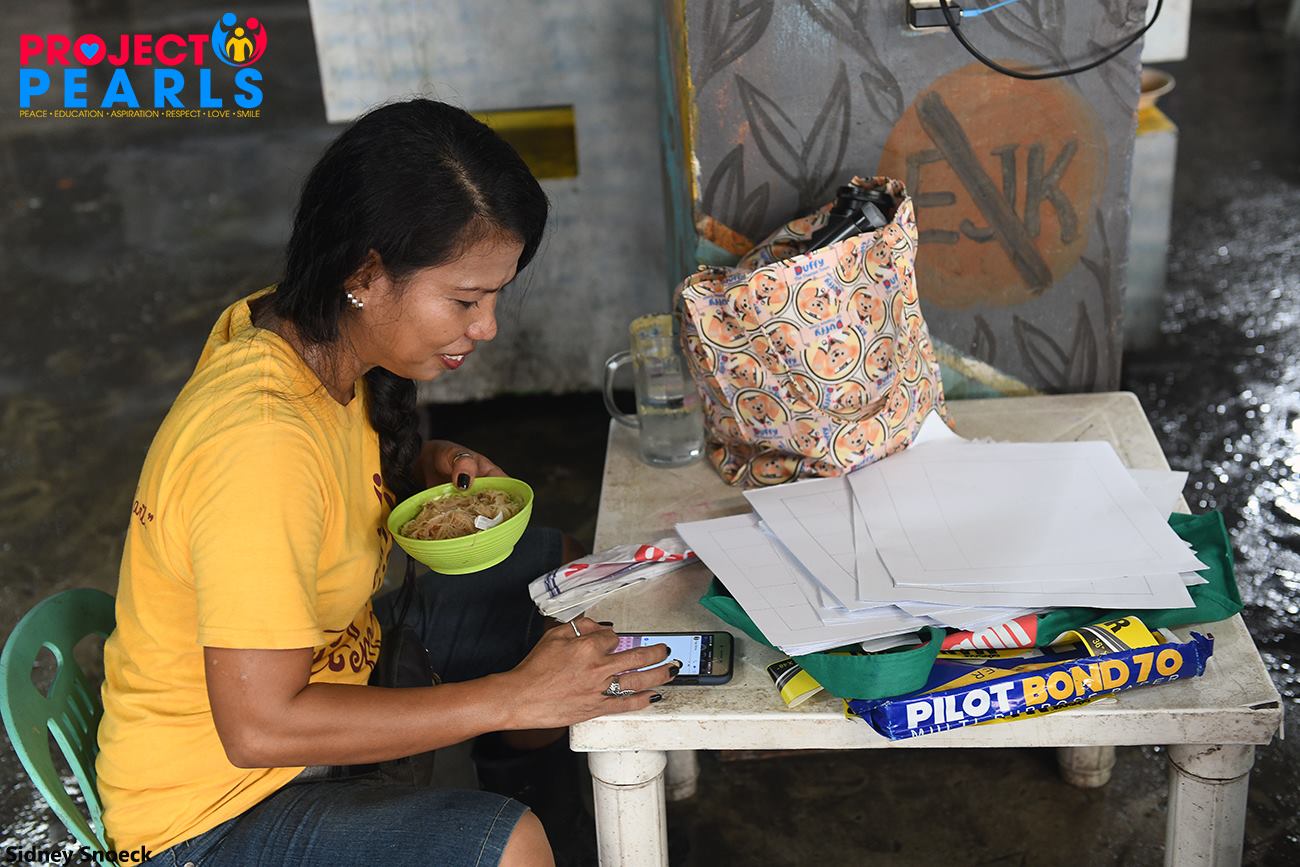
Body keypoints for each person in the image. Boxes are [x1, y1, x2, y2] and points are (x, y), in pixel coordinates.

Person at [95, 98, 677, 867]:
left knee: (557, 578)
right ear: (366, 274)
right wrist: (510, 695)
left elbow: (318, 486)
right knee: (506, 845)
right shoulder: (259, 442)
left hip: (338, 664)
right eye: (465, 299)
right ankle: (524, 824)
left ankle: (553, 808)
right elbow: (259, 727)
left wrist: (416, 465)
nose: (487, 326)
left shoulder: (305, 334)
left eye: (495, 296)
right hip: (212, 814)